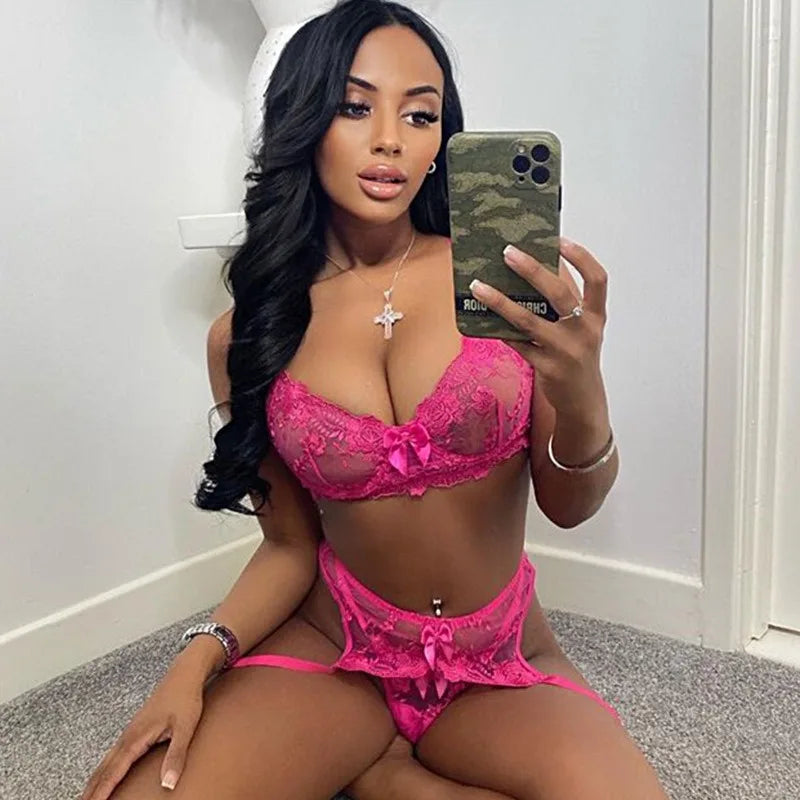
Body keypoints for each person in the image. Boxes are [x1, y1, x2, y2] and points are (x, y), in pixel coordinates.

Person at [81, 1, 670, 798]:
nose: (391, 138)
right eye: (355, 107)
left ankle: (389, 778)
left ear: (443, 139)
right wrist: (194, 661)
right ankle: (382, 765)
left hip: (498, 663)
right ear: (304, 120)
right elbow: (290, 546)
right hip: (338, 653)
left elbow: (571, 507)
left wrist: (582, 390)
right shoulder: (250, 333)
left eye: (420, 114)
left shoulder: (499, 287)